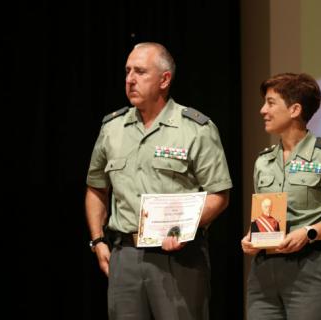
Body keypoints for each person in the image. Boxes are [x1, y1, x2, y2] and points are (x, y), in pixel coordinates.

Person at [85, 42, 232, 320]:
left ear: (164, 79)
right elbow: (96, 188)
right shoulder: (112, 128)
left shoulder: (196, 129)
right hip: (125, 255)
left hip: (178, 257)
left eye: (140, 72)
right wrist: (97, 240)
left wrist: (181, 227)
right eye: (128, 71)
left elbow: (219, 194)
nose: (130, 79)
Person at [241, 73, 321, 319]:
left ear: (295, 109)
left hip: (310, 268)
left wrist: (309, 232)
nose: (263, 110)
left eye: (271, 102)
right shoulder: (264, 161)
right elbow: (266, 215)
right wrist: (251, 237)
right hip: (264, 272)